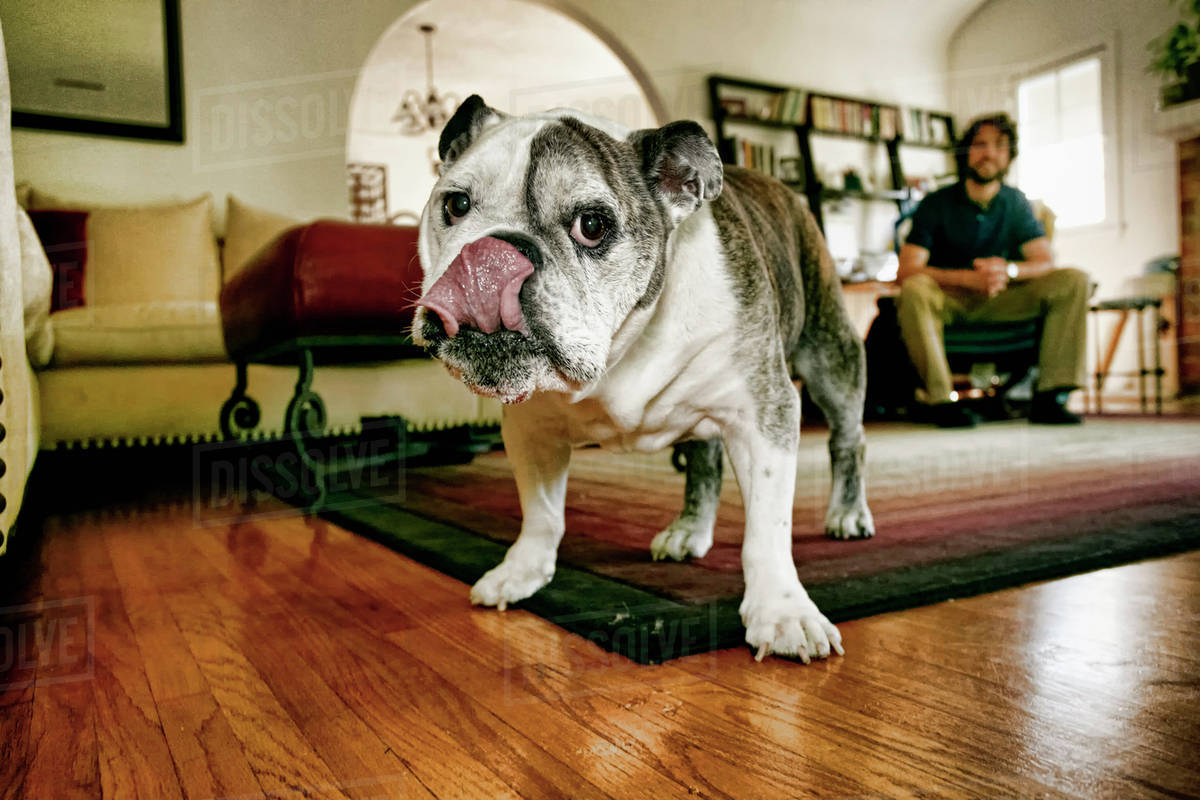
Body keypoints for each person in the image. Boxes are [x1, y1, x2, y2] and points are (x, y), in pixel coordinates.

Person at [896, 112, 1089, 428]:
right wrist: (966, 278)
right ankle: (941, 400)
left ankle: (1051, 396)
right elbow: (907, 269)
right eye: (980, 144)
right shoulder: (936, 203)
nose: (989, 153)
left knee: (1073, 280)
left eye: (999, 146)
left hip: (1002, 301)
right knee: (915, 287)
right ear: (966, 153)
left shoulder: (1016, 203)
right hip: (949, 303)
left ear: (1009, 156)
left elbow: (1044, 262)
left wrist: (1006, 270)